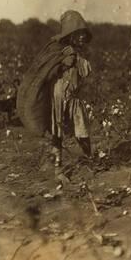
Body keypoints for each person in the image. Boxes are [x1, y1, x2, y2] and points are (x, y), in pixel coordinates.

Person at [16, 10, 93, 180]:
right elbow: (44, 73)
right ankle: (58, 169)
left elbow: (85, 74)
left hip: (73, 99)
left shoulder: (78, 53)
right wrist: (61, 65)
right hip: (57, 100)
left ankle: (90, 159)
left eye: (83, 34)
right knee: (57, 135)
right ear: (70, 34)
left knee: (82, 132)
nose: (81, 37)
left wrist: (77, 60)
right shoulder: (56, 49)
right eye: (78, 34)